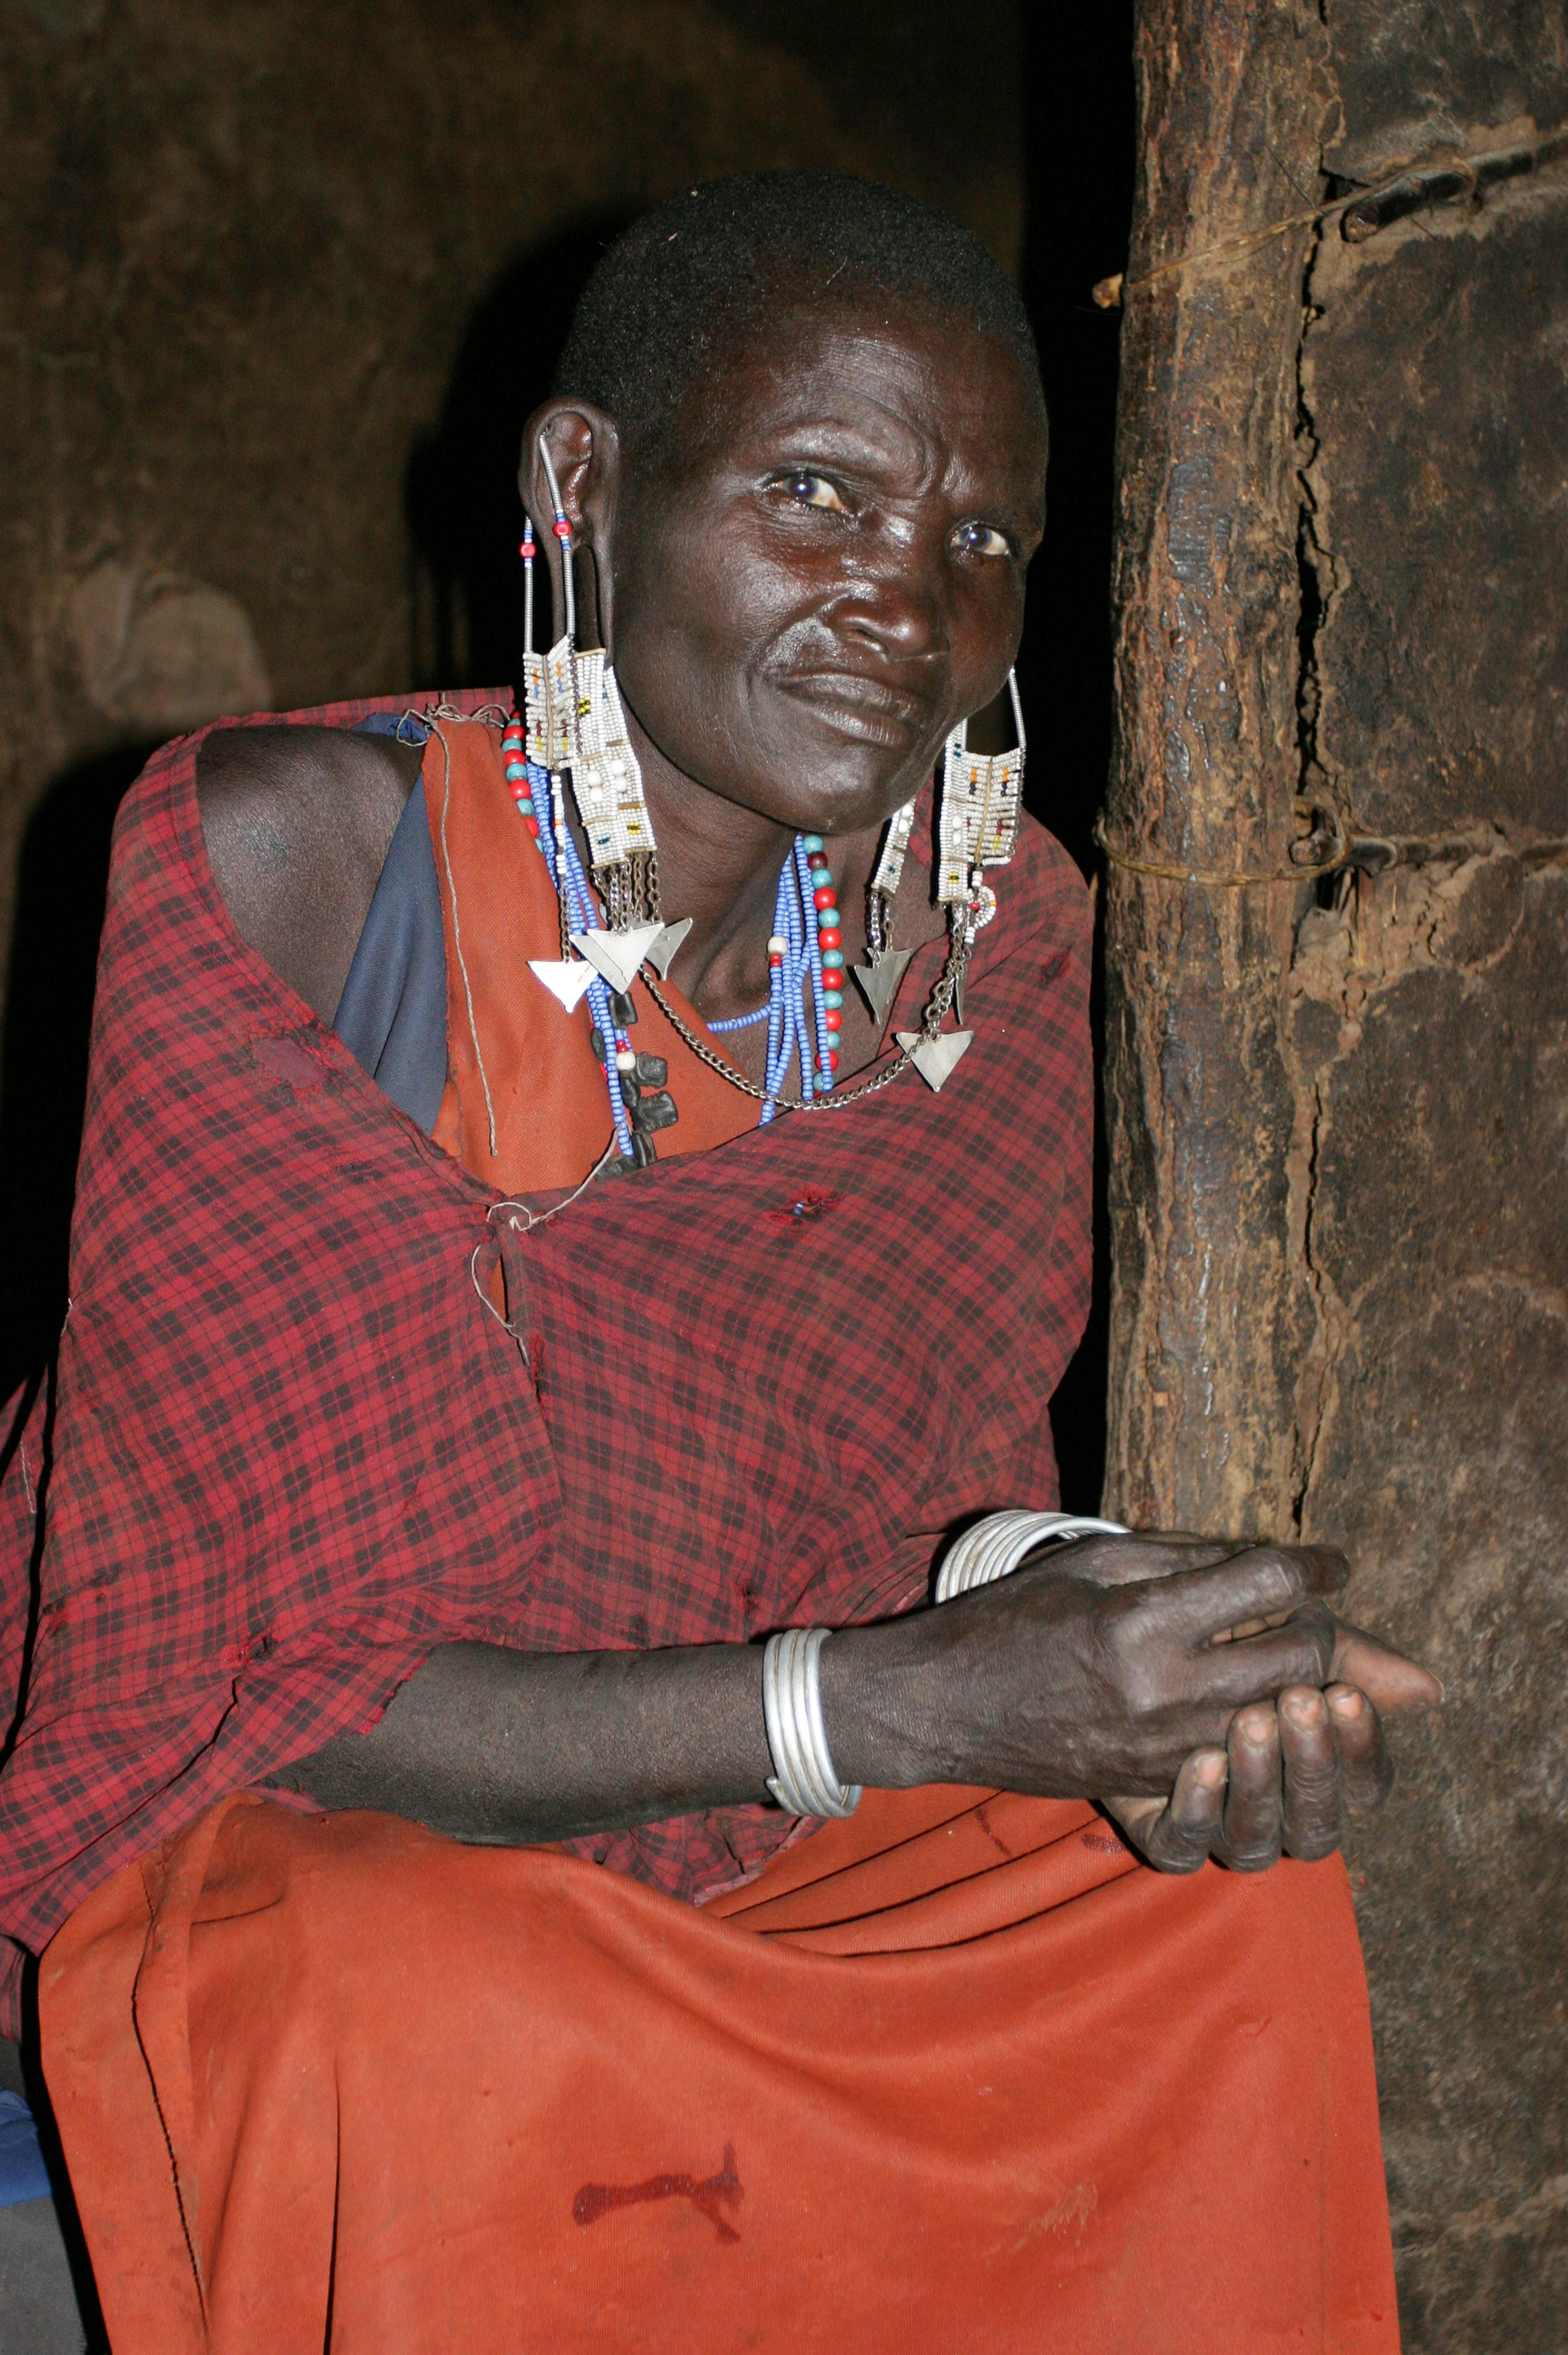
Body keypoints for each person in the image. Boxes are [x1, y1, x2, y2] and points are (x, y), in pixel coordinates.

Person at [0, 175, 1436, 2350]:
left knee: (1228, 1937)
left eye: (980, 543)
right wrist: (911, 1698)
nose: (906, 604)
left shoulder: (998, 931)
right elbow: (266, 1675)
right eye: (819, 493)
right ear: (586, 480)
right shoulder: (288, 862)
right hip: (321, 1805)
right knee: (414, 2003)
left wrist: (1138, 1655)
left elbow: (926, 1509)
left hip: (759, 1792)